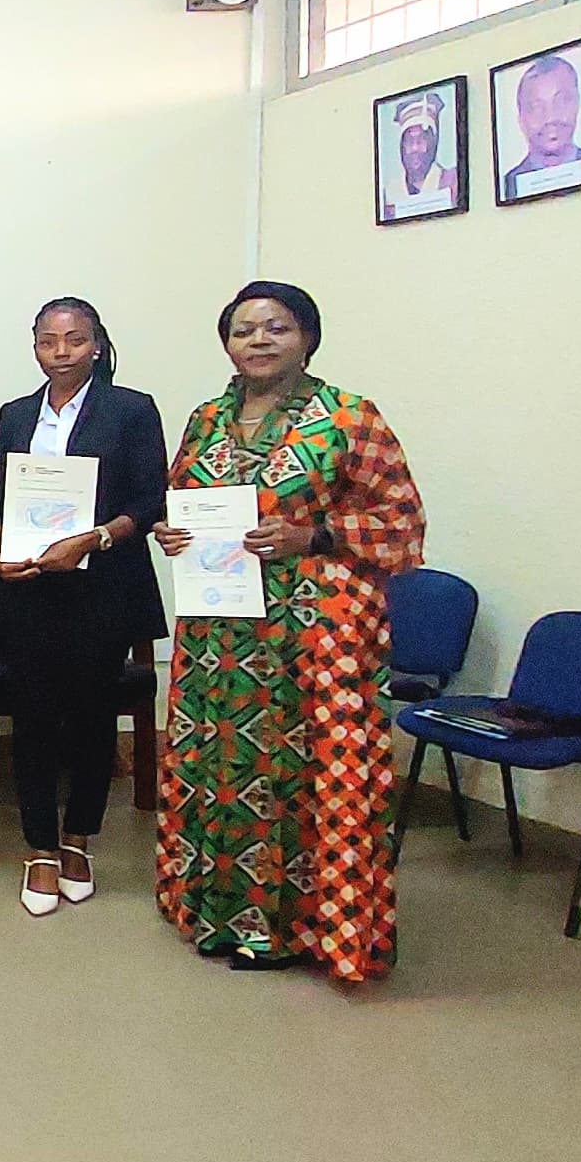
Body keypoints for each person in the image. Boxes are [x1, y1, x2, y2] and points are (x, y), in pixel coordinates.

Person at [152, 281, 424, 980]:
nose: (260, 340)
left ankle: (309, 926)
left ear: (307, 335)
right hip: (219, 631)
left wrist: (315, 533)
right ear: (227, 344)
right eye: (245, 330)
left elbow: (402, 522)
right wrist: (175, 533)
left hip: (314, 633)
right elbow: (187, 499)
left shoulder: (348, 417)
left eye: (277, 327)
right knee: (223, 771)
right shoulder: (207, 417)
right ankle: (221, 914)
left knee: (301, 774)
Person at [0, 298, 168, 917]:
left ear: (96, 344)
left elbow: (148, 500)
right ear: (34, 346)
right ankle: (38, 849)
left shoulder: (131, 410)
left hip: (103, 587)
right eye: (48, 341)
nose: (61, 352)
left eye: (75, 340)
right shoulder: (13, 414)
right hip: (30, 587)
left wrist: (93, 539)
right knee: (31, 716)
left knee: (91, 718)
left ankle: (78, 841)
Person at [501, 53, 581, 200]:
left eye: (561, 101)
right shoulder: (508, 185)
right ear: (521, 118)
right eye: (536, 107)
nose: (550, 118)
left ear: (577, 104)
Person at [384, 94, 460, 216]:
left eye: (421, 141)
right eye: (409, 142)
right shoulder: (389, 194)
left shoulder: (451, 181)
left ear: (432, 145)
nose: (415, 149)